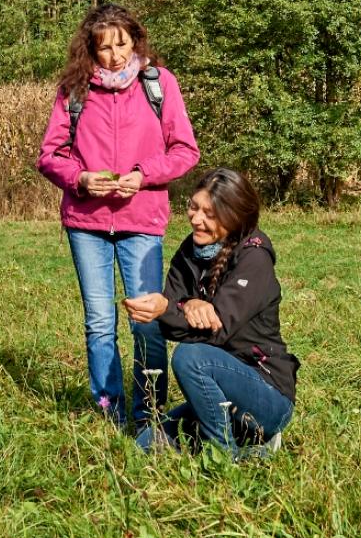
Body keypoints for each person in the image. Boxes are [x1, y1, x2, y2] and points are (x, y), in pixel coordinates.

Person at [36, 4, 200, 426]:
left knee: (146, 320)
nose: (114, 55)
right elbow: (50, 156)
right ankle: (109, 411)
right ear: (89, 49)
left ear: (136, 40)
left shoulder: (159, 84)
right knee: (99, 322)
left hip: (141, 221)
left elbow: (185, 150)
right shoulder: (74, 90)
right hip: (86, 223)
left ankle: (148, 413)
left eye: (121, 44)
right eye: (103, 47)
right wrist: (81, 179)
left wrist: (143, 175)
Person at [125, 169, 298, 459]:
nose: (196, 218)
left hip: (267, 396)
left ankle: (222, 456)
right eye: (193, 207)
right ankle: (248, 447)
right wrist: (183, 306)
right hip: (217, 391)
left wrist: (171, 308)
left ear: (234, 216)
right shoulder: (189, 251)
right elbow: (174, 325)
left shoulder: (254, 257)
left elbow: (217, 331)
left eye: (209, 213)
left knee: (189, 357)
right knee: (144, 446)